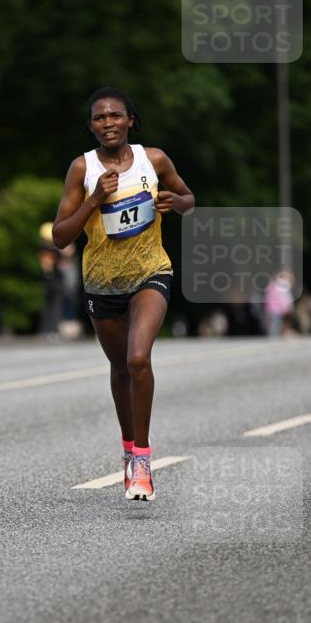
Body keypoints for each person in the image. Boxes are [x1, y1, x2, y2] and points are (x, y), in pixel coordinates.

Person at [52, 88, 194, 500]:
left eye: (116, 115)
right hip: (102, 282)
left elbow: (189, 199)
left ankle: (144, 463)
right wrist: (94, 199)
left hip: (151, 272)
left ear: (131, 120)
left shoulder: (155, 159)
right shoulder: (83, 168)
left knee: (137, 359)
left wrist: (176, 201)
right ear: (91, 126)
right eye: (99, 118)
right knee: (119, 367)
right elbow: (61, 236)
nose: (108, 122)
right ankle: (129, 450)